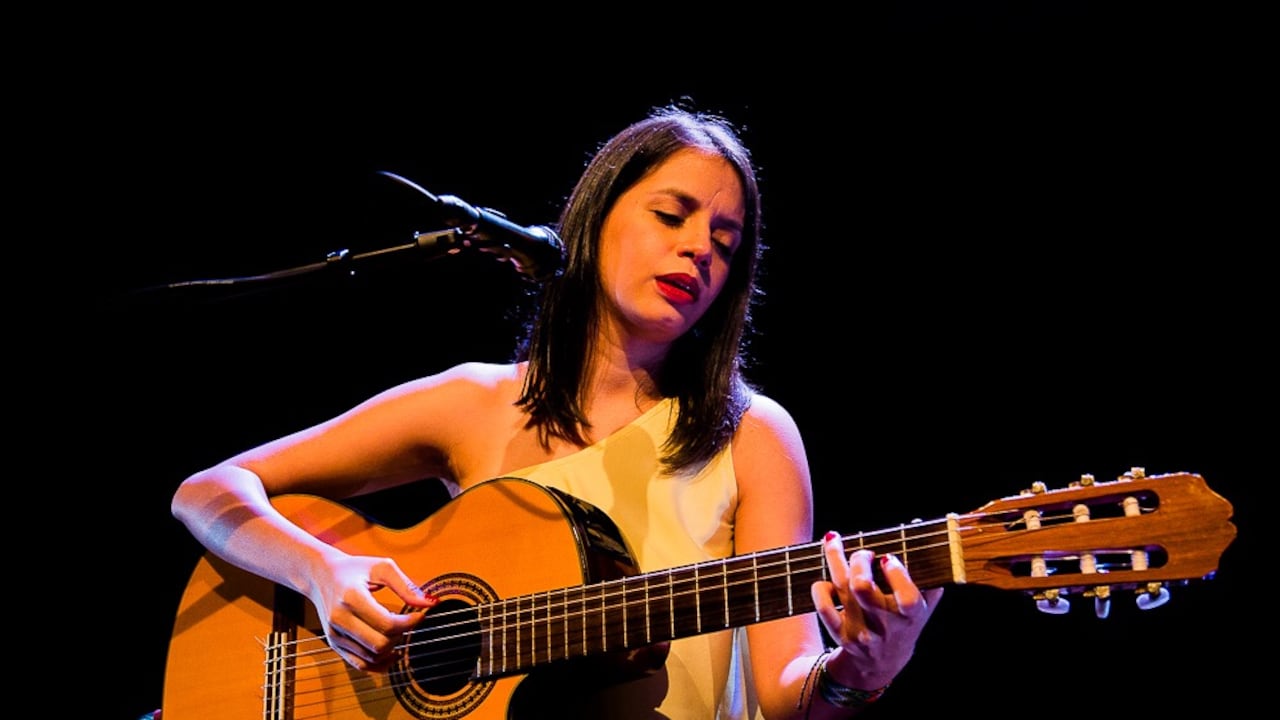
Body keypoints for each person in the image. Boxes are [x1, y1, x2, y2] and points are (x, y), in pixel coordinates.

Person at [168, 103, 943, 719]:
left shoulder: (752, 434)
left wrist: (861, 671)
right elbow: (208, 491)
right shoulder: (474, 404)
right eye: (672, 216)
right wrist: (324, 573)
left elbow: (783, 693)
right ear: (597, 215)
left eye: (724, 241)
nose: (699, 249)